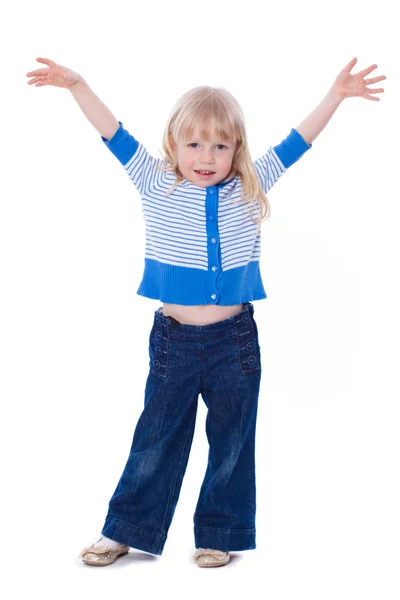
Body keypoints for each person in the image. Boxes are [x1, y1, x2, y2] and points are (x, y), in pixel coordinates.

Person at [26, 56, 385, 568]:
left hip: (234, 343)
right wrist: (77, 85)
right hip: (174, 342)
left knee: (233, 442)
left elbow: (297, 143)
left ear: (236, 149)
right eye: (194, 143)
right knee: (156, 437)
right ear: (173, 144)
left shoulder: (250, 185)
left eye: (220, 144)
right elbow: (113, 132)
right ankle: (125, 528)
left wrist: (336, 95)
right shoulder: (155, 182)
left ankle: (219, 531)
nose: (206, 155)